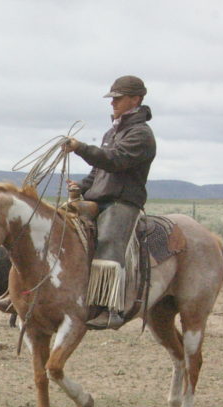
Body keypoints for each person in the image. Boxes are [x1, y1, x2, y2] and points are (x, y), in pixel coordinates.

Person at [63, 74, 156, 329]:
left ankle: (110, 308)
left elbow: (114, 161)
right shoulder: (112, 132)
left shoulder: (141, 135)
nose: (112, 103)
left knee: (109, 241)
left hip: (122, 202)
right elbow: (98, 172)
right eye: (112, 99)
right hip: (97, 199)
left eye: (118, 98)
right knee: (56, 226)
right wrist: (80, 187)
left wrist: (81, 148)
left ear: (136, 100)